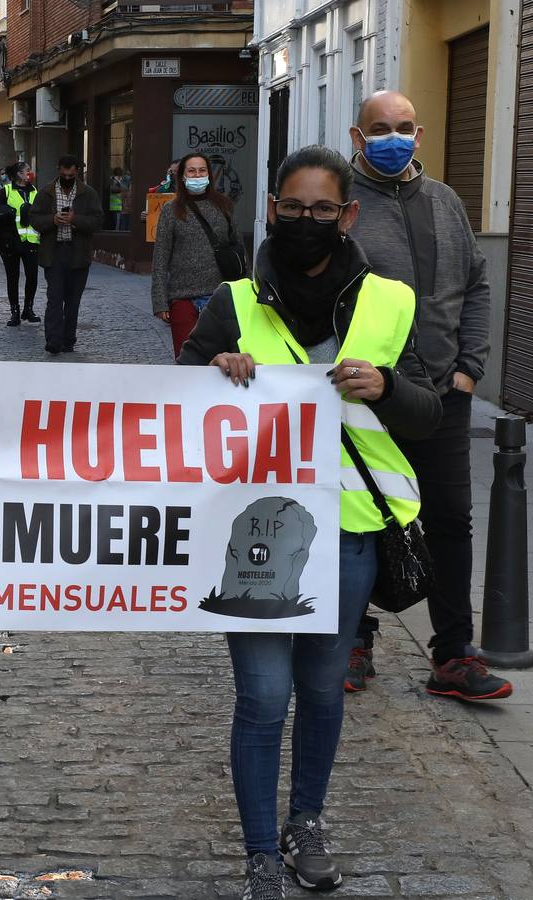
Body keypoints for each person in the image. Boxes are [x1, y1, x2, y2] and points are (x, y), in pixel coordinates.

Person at [179, 145, 440, 899]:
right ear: (271, 209)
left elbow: (426, 415)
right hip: (254, 532)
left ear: (347, 215)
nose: (306, 221)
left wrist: (387, 385)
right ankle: (262, 849)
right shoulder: (233, 299)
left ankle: (307, 822)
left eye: (323, 210)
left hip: (352, 532)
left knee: (324, 690)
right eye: (292, 208)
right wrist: (213, 372)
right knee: (263, 695)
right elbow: (172, 409)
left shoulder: (391, 301)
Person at [344, 90, 512, 700]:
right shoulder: (341, 204)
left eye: (406, 128)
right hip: (364, 397)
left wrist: (469, 369)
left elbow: (476, 286)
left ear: (419, 134)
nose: (395, 138)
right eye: (381, 129)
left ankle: (453, 656)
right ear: (360, 138)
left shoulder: (445, 201)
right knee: (361, 520)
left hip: (444, 393)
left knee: (448, 521)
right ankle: (351, 643)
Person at [151, 152, 244, 356]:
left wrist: (244, 291)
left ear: (209, 175)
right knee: (187, 361)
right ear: (182, 176)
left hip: (220, 297)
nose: (197, 175)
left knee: (221, 361)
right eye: (191, 171)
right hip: (183, 299)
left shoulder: (224, 205)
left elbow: (238, 250)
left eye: (202, 170)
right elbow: (160, 258)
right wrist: (159, 301)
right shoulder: (171, 210)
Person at [30, 154, 101, 355]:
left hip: (78, 253)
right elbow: (34, 219)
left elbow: (97, 221)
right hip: (54, 252)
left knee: (72, 300)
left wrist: (75, 219)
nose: (67, 178)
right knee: (55, 297)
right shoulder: (46, 192)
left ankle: (68, 340)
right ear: (58, 170)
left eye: (71, 175)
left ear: (77, 171)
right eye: (64, 174)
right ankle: (53, 340)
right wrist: (52, 220)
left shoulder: (88, 194)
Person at [0, 160, 41, 327]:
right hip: (10, 242)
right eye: (27, 171)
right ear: (19, 174)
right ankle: (15, 312)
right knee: (13, 277)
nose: (30, 173)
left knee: (32, 276)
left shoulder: (34, 191)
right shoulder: (7, 191)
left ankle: (28, 309)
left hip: (31, 241)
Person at [108, 165, 129, 230]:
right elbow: (111, 189)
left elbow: (126, 189)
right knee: (116, 220)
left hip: (122, 202)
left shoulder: (125, 179)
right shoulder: (111, 180)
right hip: (115, 202)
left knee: (122, 220)